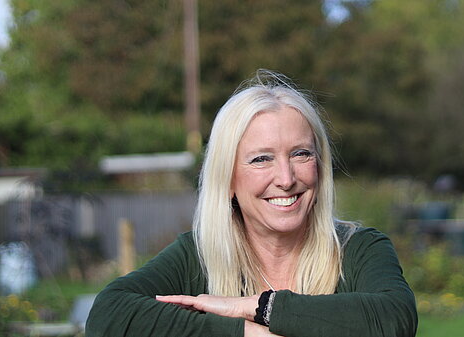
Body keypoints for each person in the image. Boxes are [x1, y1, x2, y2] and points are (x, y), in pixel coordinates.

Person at [86, 70, 418, 337]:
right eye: (261, 159)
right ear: (227, 178)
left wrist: (259, 307)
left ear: (321, 164)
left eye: (300, 154)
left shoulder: (359, 249)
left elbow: (394, 320)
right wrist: (243, 332)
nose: (286, 178)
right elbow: (108, 316)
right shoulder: (197, 257)